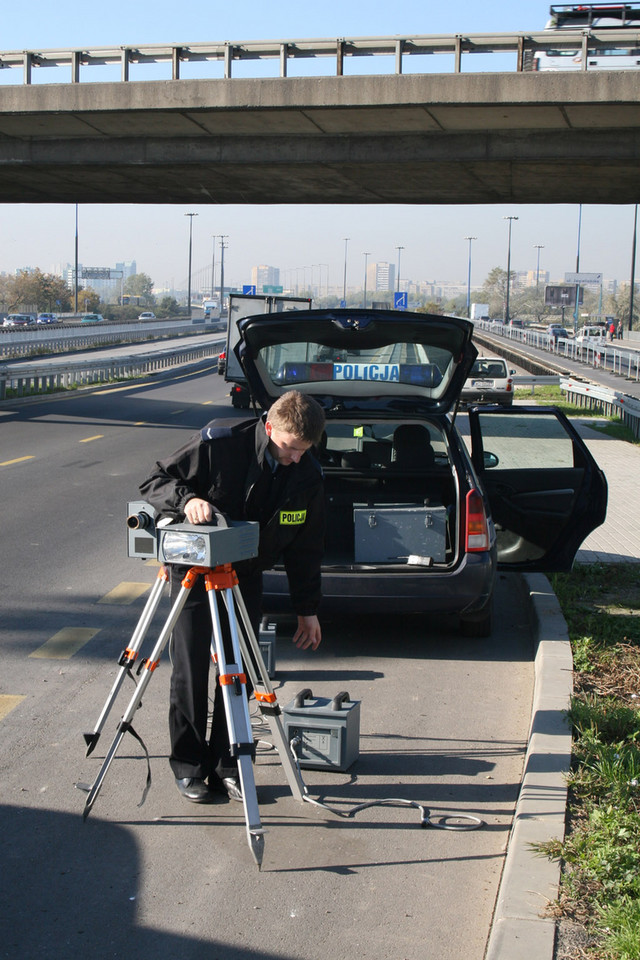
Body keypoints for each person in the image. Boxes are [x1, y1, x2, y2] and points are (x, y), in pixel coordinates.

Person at [139, 390, 326, 804]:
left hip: (244, 576)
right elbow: (155, 482)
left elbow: (306, 548)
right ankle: (189, 767)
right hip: (192, 574)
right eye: (290, 448)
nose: (295, 457)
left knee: (237, 674)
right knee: (190, 672)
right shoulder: (220, 443)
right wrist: (189, 501)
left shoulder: (307, 474)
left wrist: (307, 610)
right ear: (270, 426)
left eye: (304, 451)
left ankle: (231, 765)